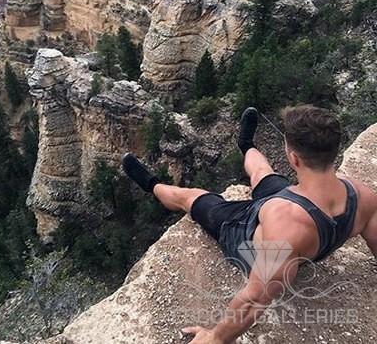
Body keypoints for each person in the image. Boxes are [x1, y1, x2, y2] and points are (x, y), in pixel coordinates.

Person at [122, 105, 377, 344]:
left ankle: (151, 184)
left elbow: (254, 299)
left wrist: (216, 337)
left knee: (191, 197)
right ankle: (246, 144)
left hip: (243, 231)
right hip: (296, 200)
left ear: (294, 159)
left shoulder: (286, 226)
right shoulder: (362, 194)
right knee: (263, 173)